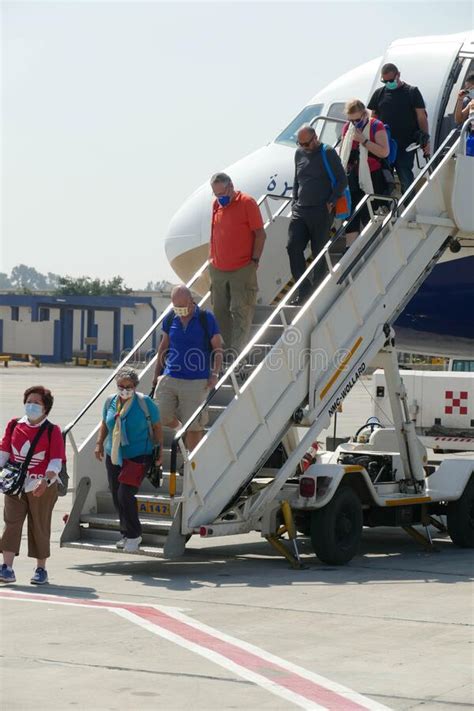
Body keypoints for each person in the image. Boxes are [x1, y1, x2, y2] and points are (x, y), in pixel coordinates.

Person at [0, 385, 66, 585]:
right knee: (11, 524)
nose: (31, 406)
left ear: (46, 408)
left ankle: (40, 569)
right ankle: (7, 567)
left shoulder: (52, 430)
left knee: (39, 526)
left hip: (42, 486)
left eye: (36, 403)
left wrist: (45, 481)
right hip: (15, 485)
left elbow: (56, 460)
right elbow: (4, 452)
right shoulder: (14, 425)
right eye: (29, 402)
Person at [95, 367, 162, 553]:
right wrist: (99, 443)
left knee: (125, 493)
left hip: (139, 453)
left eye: (128, 386)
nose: (124, 389)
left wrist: (160, 452)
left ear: (135, 386)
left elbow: (157, 427)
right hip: (115, 453)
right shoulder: (110, 401)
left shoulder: (144, 402)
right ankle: (126, 533)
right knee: (117, 495)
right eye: (121, 386)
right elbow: (105, 423)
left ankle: (134, 535)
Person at [152, 285, 223, 452]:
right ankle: (180, 428)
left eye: (183, 306)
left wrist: (214, 374)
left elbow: (218, 349)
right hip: (171, 376)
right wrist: (157, 374)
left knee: (194, 426)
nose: (180, 310)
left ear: (191, 301)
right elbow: (163, 347)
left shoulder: (206, 318)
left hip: (196, 380)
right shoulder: (170, 318)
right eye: (176, 307)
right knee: (160, 414)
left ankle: (193, 464)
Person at [287, 124, 347, 305]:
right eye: (301, 144)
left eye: (307, 143)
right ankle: (303, 289)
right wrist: (294, 202)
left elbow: (342, 179)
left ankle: (317, 291)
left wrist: (332, 200)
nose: (304, 147)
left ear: (315, 138)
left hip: (321, 210)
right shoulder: (298, 153)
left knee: (318, 251)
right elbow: (297, 180)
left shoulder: (327, 152)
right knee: (292, 247)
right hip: (301, 210)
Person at [209, 172, 266, 357]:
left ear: (231, 186)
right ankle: (224, 352)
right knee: (219, 311)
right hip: (218, 269)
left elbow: (260, 234)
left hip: (242, 268)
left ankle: (236, 354)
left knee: (240, 311)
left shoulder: (247, 202)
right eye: (216, 195)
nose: (220, 198)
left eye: (222, 194)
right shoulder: (216, 205)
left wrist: (254, 261)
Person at [368, 63, 430, 195]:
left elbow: (421, 116)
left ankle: (409, 207)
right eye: (385, 81)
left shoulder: (412, 92)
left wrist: (426, 139)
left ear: (398, 75)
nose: (388, 83)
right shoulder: (379, 94)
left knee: (405, 177)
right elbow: (373, 118)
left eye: (391, 80)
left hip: (406, 145)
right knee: (383, 179)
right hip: (385, 145)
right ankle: (386, 208)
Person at [339, 99, 390, 246]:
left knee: (369, 214)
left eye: (357, 119)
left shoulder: (376, 125)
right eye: (351, 120)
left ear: (364, 114)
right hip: (352, 177)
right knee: (350, 217)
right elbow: (343, 151)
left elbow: (384, 152)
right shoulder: (348, 128)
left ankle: (373, 247)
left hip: (372, 176)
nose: (354, 124)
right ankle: (350, 251)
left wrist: (363, 140)